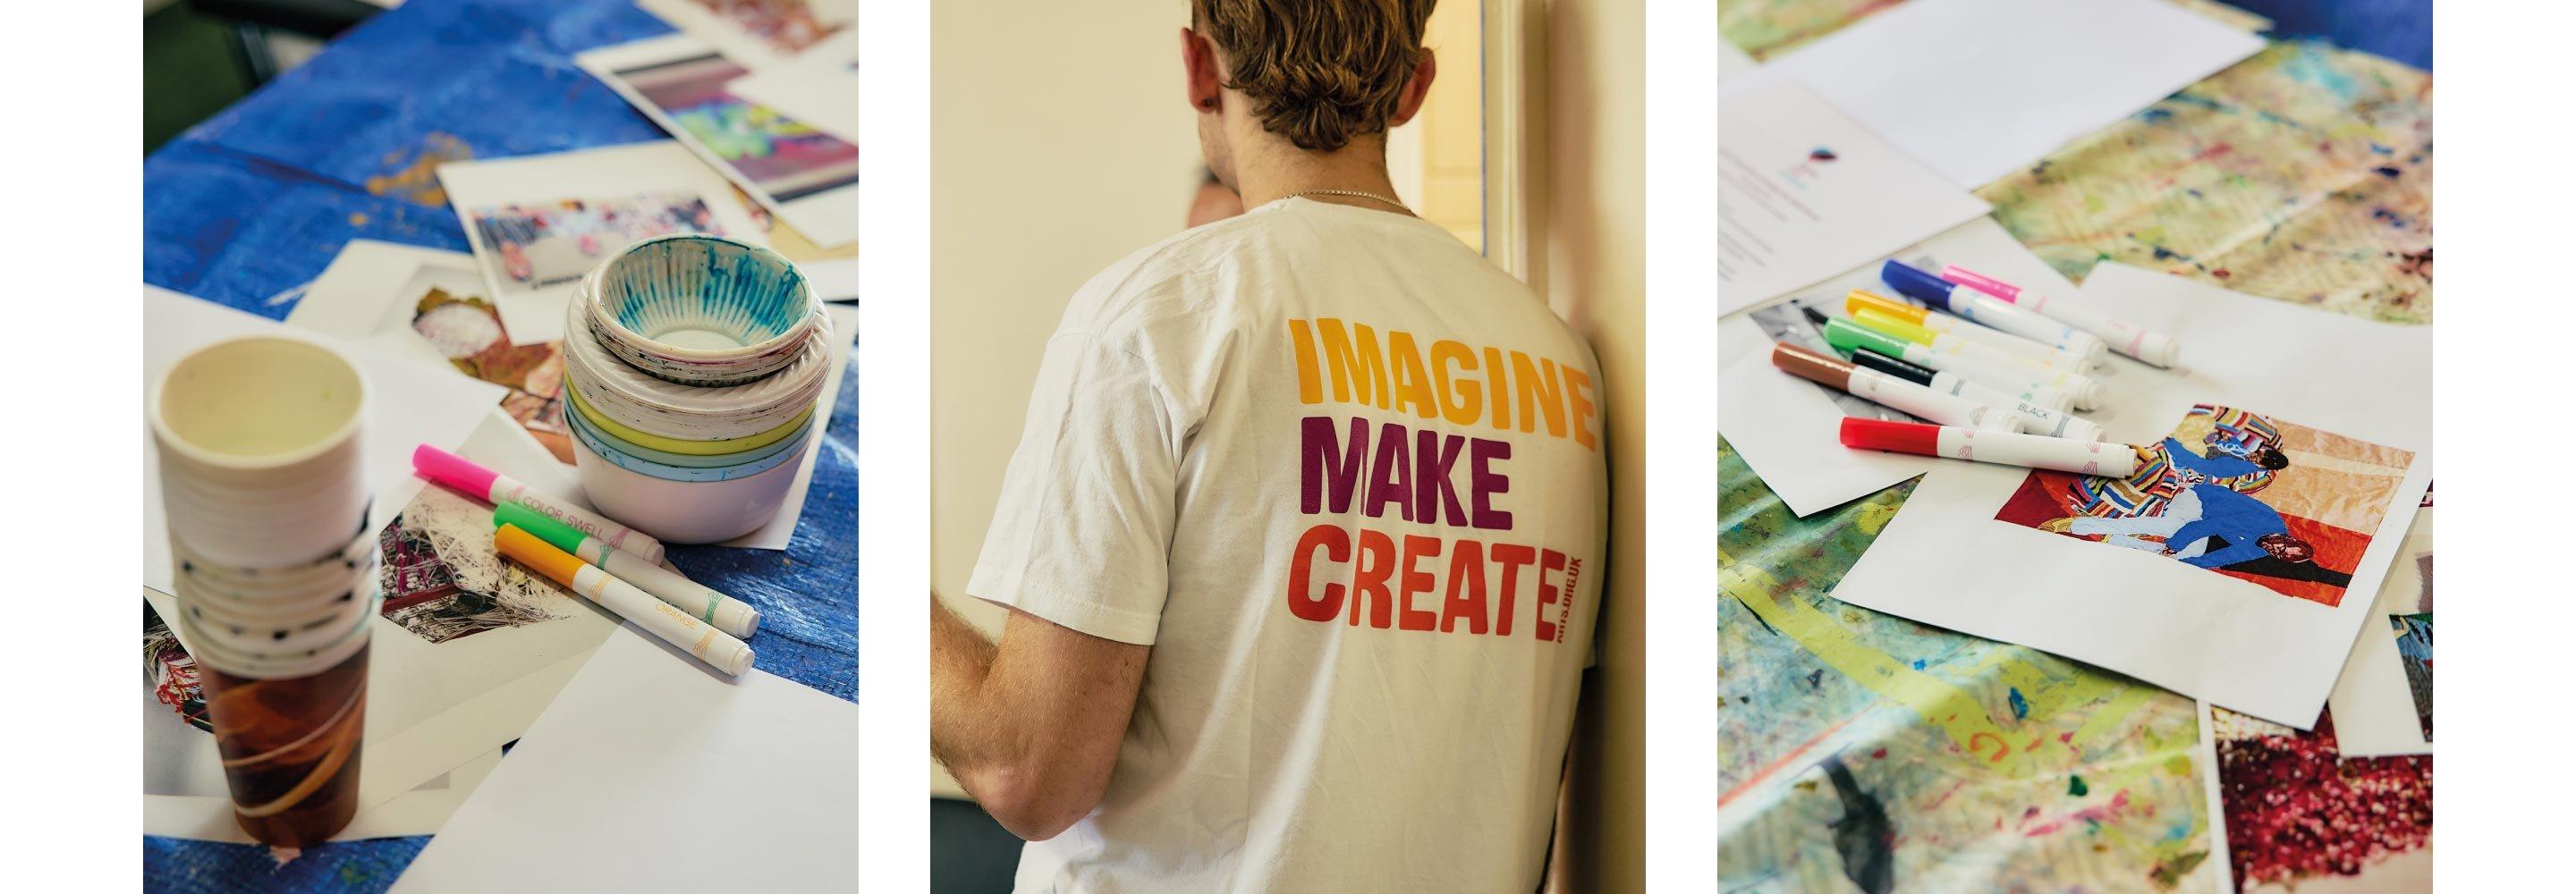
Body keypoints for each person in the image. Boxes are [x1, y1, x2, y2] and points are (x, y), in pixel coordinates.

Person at [929, 2, 1610, 890]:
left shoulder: (1159, 314)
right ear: (1413, 89)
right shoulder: (1558, 360)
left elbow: (1028, 768)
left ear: (1199, 69)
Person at [2053, 482, 2315, 569]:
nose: (2276, 549)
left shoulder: (2262, 550)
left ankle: (2117, 541)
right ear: (2289, 539)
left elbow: (2221, 556)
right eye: (2282, 546)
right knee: (2169, 529)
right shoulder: (2266, 523)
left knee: (2185, 555)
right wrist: (2174, 544)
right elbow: (2212, 524)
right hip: (2200, 501)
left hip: (2201, 522)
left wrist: (2181, 562)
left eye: (2279, 554)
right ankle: (2078, 525)